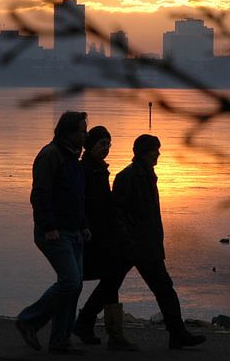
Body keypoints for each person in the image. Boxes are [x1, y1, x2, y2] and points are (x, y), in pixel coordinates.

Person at [105, 134, 206, 349]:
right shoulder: (129, 176)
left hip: (146, 244)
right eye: (154, 149)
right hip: (137, 246)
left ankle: (177, 334)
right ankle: (177, 334)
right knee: (160, 288)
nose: (158, 153)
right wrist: (130, 242)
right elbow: (118, 213)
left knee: (116, 285)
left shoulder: (147, 174)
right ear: (142, 152)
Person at [15, 111, 91, 355]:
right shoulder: (51, 155)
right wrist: (48, 227)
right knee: (69, 282)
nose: (85, 135)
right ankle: (29, 320)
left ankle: (60, 340)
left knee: (74, 285)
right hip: (55, 233)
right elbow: (40, 194)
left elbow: (76, 197)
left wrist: (83, 224)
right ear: (68, 132)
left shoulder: (73, 158)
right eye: (81, 130)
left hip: (73, 231)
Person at [73, 126, 139, 351]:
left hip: (106, 236)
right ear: (90, 146)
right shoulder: (85, 170)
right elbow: (83, 203)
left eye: (109, 145)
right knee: (105, 279)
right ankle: (94, 326)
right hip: (93, 236)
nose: (106, 149)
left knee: (111, 278)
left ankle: (93, 326)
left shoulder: (100, 170)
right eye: (102, 144)